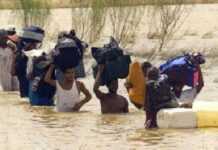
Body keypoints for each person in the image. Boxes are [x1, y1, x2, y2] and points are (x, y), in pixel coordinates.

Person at [10, 26, 45, 98]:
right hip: (30, 95)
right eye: (34, 44)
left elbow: (13, 72)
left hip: (27, 95)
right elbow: (13, 72)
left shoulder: (32, 57)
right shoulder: (33, 57)